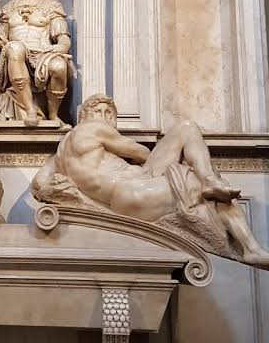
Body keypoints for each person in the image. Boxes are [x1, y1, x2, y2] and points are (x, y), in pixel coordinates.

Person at [33, 93, 269, 267]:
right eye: (98, 112)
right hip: (138, 191)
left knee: (201, 174)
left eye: (109, 113)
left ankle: (211, 186)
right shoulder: (93, 129)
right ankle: (250, 247)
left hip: (125, 199)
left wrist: (76, 193)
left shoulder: (58, 156)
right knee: (188, 132)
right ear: (84, 117)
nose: (104, 117)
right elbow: (141, 153)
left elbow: (38, 185)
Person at [0, 0, 74, 127]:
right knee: (14, 47)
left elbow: (62, 36)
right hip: (17, 55)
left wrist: (61, 46)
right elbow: (2, 39)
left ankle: (53, 114)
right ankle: (30, 110)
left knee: (59, 66)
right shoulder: (9, 7)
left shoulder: (51, 5)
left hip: (43, 53)